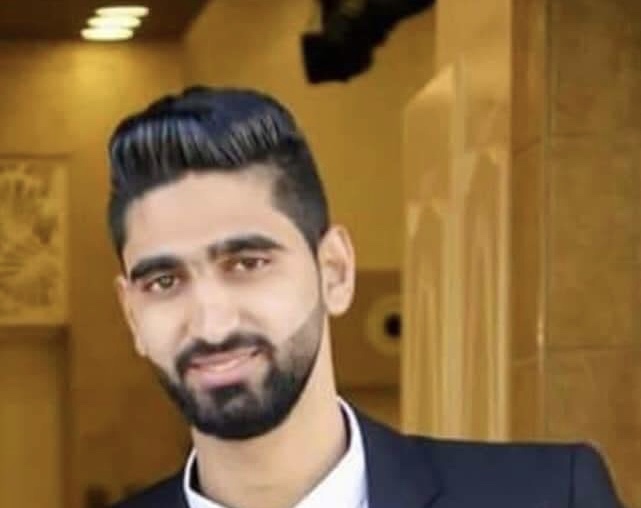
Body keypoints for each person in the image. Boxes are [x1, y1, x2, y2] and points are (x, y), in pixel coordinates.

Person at [107, 86, 622, 508]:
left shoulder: (550, 496)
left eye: (247, 263)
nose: (212, 324)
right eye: (164, 282)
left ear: (334, 272)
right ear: (132, 315)